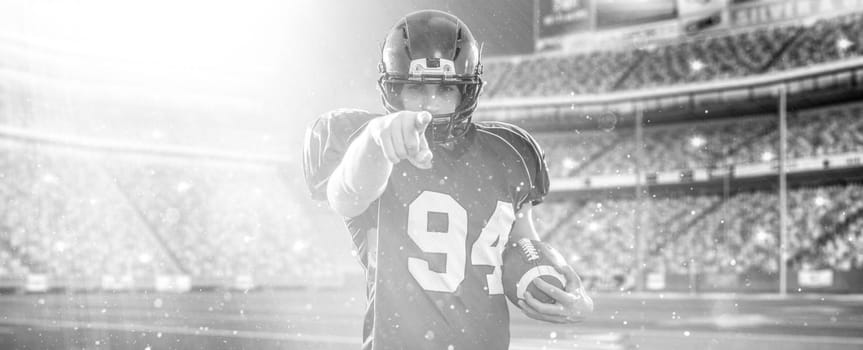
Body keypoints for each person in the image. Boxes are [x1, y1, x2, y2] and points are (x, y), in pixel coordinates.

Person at [303, 9, 593, 349]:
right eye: (415, 89)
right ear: (394, 89)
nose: (429, 105)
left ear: (466, 91)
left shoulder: (510, 153)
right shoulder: (365, 144)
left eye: (444, 90)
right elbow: (346, 195)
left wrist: (569, 294)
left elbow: (520, 245)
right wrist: (375, 141)